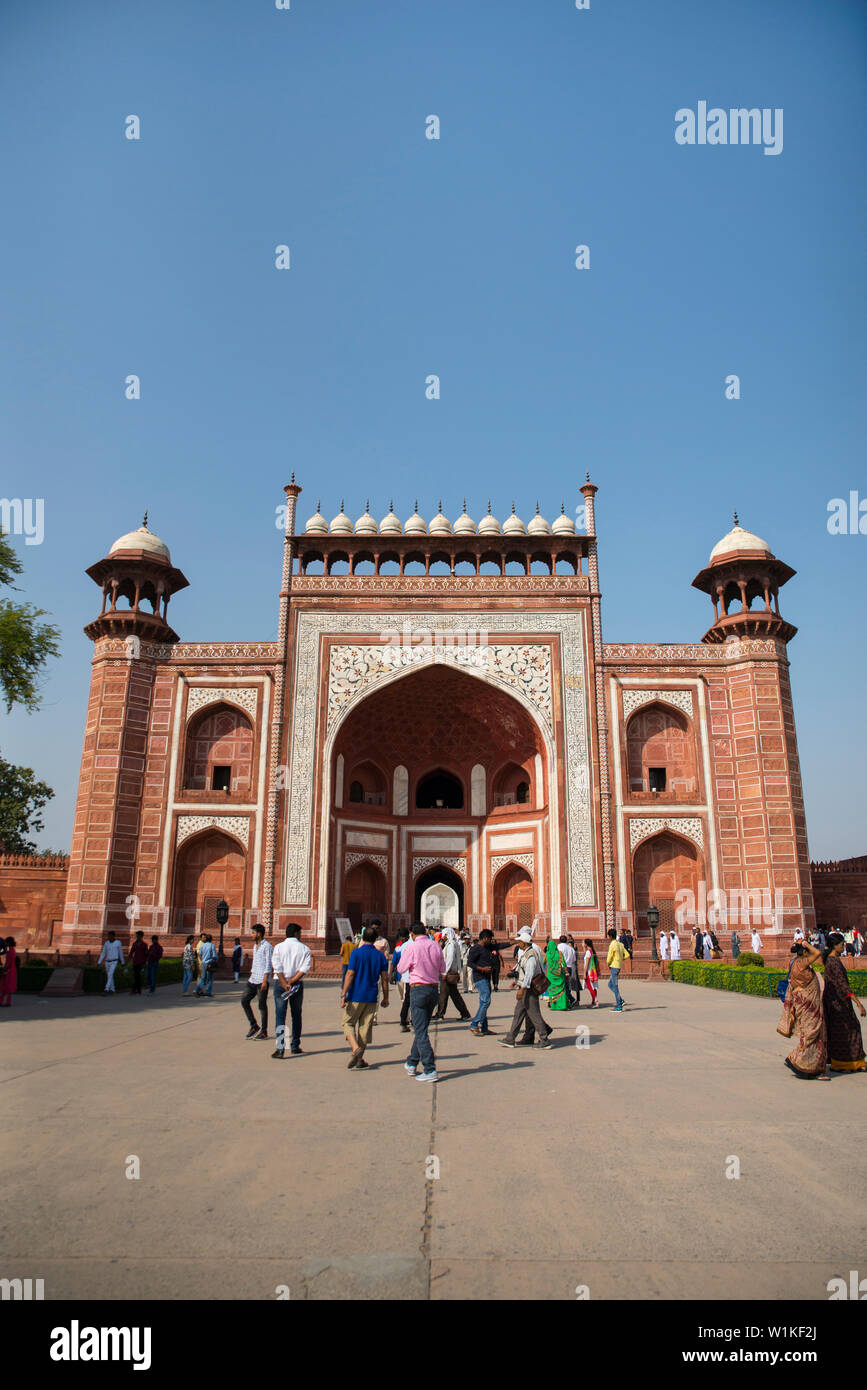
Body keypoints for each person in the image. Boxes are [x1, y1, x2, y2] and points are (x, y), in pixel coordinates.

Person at [397, 921, 445, 1082]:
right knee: (421, 1028)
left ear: (412, 934)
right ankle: (411, 1063)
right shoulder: (436, 946)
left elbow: (401, 968)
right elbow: (442, 968)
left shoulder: (412, 947)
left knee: (420, 1032)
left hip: (418, 990)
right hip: (433, 990)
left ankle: (430, 1069)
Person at [341, 925, 389, 1069]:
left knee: (348, 1023)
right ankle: (360, 1060)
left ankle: (355, 1049)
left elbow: (350, 974)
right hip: (371, 996)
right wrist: (386, 997)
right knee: (364, 1028)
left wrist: (343, 994)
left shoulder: (356, 953)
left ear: (362, 938)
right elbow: (385, 978)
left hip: (356, 994)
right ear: (375, 940)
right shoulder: (380, 956)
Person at [499, 928, 553, 1049]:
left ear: (524, 942)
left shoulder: (531, 955)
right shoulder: (527, 952)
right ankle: (510, 1038)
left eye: (520, 941)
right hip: (525, 987)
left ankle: (544, 1039)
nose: (518, 943)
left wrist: (522, 988)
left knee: (534, 1014)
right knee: (518, 1013)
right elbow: (522, 971)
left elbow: (529, 974)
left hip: (528, 989)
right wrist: (516, 982)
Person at [781, 940, 827, 1079]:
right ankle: (800, 1062)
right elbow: (818, 953)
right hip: (809, 1004)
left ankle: (809, 1066)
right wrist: (806, 943)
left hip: (804, 1003)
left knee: (810, 1033)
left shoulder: (794, 963)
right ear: (805, 953)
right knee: (812, 1033)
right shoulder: (802, 963)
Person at [822, 933, 866, 1073]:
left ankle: (852, 1062)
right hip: (838, 1003)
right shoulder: (833, 961)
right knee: (849, 1030)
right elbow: (843, 985)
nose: (843, 946)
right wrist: (858, 1003)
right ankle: (846, 1063)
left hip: (836, 1002)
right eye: (841, 944)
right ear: (835, 946)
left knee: (842, 1031)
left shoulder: (832, 959)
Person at [271, 923, 312, 1059]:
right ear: (296, 933)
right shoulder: (304, 948)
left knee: (280, 1016)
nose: (301, 935)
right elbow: (304, 969)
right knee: (296, 1015)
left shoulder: (278, 947)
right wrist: (292, 982)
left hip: (280, 984)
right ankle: (295, 1046)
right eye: (300, 933)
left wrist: (283, 982)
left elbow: (277, 967)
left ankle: (280, 1048)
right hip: (296, 985)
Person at [241, 923, 271, 1038]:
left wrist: (265, 981)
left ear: (259, 934)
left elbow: (268, 964)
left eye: (253, 933)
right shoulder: (255, 945)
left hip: (261, 981)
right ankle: (254, 1025)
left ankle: (264, 1031)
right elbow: (255, 962)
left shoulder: (267, 946)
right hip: (253, 980)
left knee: (262, 1006)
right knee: (244, 1001)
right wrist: (251, 974)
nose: (251, 935)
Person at [435, 927, 471, 1021]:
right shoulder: (453, 944)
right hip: (451, 972)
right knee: (453, 994)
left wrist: (445, 972)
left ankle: (440, 1014)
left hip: (448, 973)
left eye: (444, 934)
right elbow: (455, 959)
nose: (443, 936)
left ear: (447, 935)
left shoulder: (451, 945)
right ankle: (464, 1013)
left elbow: (450, 959)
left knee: (444, 993)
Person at [467, 929, 495, 1035]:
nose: (491, 941)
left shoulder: (486, 947)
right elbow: (470, 963)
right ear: (485, 938)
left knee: (483, 1003)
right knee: (486, 1001)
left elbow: (500, 946)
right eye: (490, 939)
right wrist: (482, 969)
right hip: (480, 978)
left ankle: (484, 1028)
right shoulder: (475, 949)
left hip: (486, 978)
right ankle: (474, 1024)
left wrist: (514, 941)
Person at [606, 928, 628, 1012]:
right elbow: (626, 955)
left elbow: (609, 956)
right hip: (618, 965)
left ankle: (619, 1006)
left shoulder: (612, 944)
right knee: (610, 984)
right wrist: (620, 959)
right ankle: (621, 1000)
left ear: (610, 936)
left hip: (614, 966)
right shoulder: (620, 944)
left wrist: (608, 963)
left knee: (614, 985)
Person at [545, 939, 570, 1010]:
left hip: (550, 975)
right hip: (559, 974)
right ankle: (563, 1005)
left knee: (552, 990)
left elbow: (544, 963)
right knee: (561, 989)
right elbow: (564, 963)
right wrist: (566, 972)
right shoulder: (559, 953)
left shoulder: (547, 954)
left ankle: (554, 1005)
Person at [558, 935, 578, 1005]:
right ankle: (568, 1000)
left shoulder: (558, 947)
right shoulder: (570, 948)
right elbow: (573, 960)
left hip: (561, 967)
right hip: (569, 967)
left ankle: (570, 1000)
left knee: (561, 985)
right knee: (567, 985)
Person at [128, 930, 148, 995]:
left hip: (141, 962)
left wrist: (145, 962)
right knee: (137, 976)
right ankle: (138, 990)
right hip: (135, 961)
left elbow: (146, 954)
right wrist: (129, 959)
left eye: (138, 936)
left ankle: (134, 990)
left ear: (141, 936)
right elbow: (131, 952)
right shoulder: (135, 944)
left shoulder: (144, 945)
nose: (137, 937)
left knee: (137, 976)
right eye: (137, 936)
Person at [0, 938, 18, 1007]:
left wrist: (4, 969)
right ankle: (7, 1002)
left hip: (9, 971)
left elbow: (9, 962)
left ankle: (3, 1001)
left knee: (5, 987)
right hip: (11, 970)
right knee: (7, 988)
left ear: (8, 943)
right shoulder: (12, 950)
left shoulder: (10, 951)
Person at [582, 940, 600, 1007]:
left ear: (586, 944)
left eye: (583, 943)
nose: (582, 944)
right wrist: (584, 947)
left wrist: (584, 973)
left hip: (588, 972)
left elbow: (586, 964)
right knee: (593, 986)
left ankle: (595, 1001)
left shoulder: (588, 952)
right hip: (592, 971)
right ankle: (593, 1001)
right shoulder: (591, 951)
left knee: (590, 987)